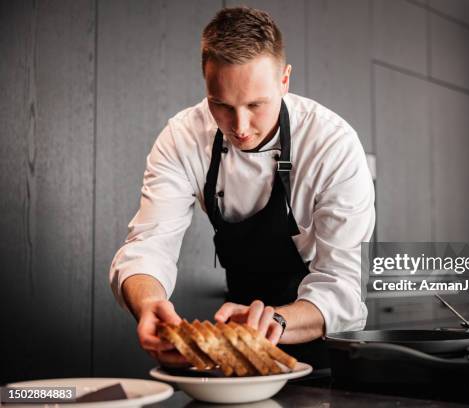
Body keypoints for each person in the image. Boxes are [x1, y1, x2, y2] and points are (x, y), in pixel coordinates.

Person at [109, 6, 375, 369]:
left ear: (285, 80)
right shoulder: (183, 137)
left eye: (256, 105)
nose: (241, 126)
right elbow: (148, 245)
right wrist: (148, 302)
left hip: (320, 340)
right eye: (221, 105)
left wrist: (277, 320)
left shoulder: (332, 145)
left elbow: (343, 285)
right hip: (239, 342)